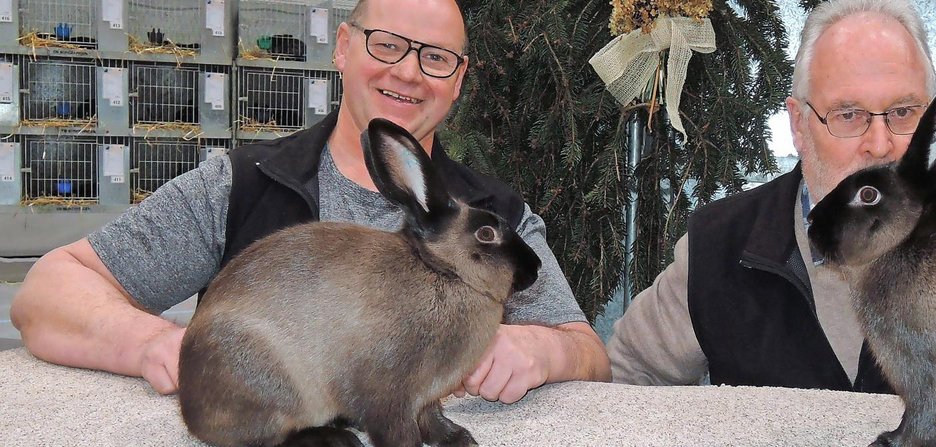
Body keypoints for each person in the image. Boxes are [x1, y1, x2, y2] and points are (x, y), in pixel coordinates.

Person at [11, 0, 609, 404]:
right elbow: (49, 291)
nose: (409, 73)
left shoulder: (492, 217)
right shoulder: (242, 185)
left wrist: (542, 348)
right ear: (343, 48)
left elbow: (588, 352)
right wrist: (150, 343)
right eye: (388, 44)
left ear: (457, 79)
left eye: (435, 57)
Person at [606, 0, 936, 392]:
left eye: (903, 112)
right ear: (799, 126)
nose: (880, 144)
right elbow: (625, 380)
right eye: (849, 115)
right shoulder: (720, 247)